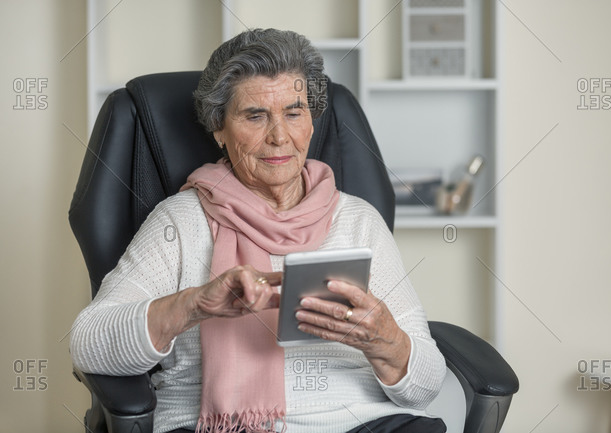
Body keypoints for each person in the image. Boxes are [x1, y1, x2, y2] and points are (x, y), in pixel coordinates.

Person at [70, 28, 447, 433]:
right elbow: (88, 345)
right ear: (219, 129)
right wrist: (193, 305)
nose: (279, 135)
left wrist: (385, 340)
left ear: (312, 121)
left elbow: (425, 387)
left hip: (361, 422)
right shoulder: (180, 222)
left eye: (294, 112)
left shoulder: (359, 221)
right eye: (255, 115)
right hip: (221, 425)